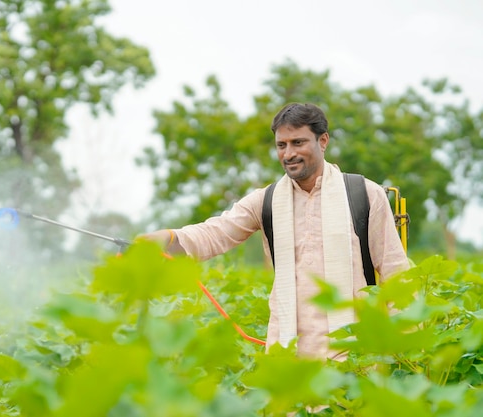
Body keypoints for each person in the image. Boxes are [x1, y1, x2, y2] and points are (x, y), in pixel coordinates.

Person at [141, 102, 410, 360]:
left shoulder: (364, 194)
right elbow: (215, 233)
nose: (288, 153)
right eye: (281, 145)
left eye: (298, 142)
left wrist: (405, 347)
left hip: (353, 357)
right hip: (286, 359)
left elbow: (396, 273)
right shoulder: (267, 201)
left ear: (323, 141)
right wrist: (167, 238)